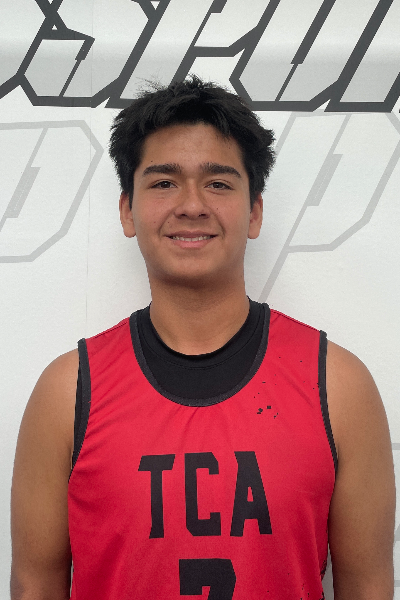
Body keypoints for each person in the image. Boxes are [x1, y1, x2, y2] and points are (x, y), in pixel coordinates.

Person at [10, 76, 395, 600]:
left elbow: (368, 586)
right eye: (163, 183)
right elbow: (35, 585)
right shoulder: (67, 392)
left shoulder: (339, 386)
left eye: (218, 183)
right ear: (127, 210)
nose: (191, 205)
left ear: (254, 211)